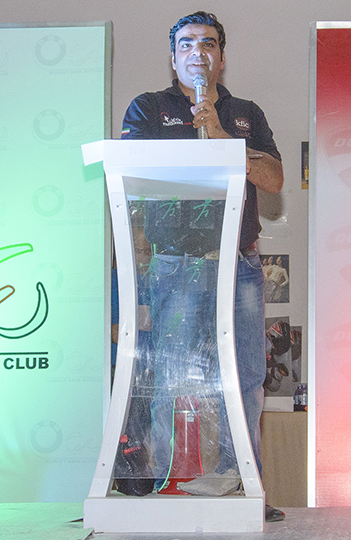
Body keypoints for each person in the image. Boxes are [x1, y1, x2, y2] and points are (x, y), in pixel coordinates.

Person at [120, 11, 285, 523]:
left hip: (240, 265)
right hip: (176, 265)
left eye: (209, 44)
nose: (198, 52)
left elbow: (275, 179)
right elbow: (132, 173)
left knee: (248, 377)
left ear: (221, 57)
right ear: (173, 58)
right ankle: (170, 484)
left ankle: (244, 486)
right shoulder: (148, 108)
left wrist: (219, 132)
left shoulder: (244, 113)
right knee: (174, 377)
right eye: (187, 44)